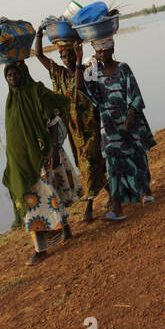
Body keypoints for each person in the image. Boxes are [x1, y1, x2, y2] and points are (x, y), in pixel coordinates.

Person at [2, 60, 83, 264]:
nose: (12, 78)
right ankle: (63, 233)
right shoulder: (11, 101)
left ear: (24, 73)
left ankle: (41, 250)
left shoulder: (36, 92)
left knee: (45, 198)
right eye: (8, 75)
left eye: (15, 74)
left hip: (43, 156)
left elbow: (53, 121)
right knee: (39, 199)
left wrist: (53, 149)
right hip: (22, 164)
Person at [33, 29, 106, 222]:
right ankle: (113, 192)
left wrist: (80, 57)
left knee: (89, 161)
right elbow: (38, 54)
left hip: (90, 126)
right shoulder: (58, 74)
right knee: (89, 163)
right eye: (63, 56)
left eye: (70, 55)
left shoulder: (87, 70)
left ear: (76, 54)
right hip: (74, 132)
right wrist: (39, 35)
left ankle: (89, 206)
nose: (66, 59)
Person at [78, 37, 155, 219]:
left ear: (112, 49)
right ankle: (118, 208)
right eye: (98, 52)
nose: (102, 54)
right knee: (112, 164)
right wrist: (79, 59)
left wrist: (131, 115)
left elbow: (135, 94)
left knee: (136, 156)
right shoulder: (93, 72)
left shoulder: (123, 68)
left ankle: (145, 192)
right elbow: (81, 86)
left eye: (105, 50)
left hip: (130, 121)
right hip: (109, 125)